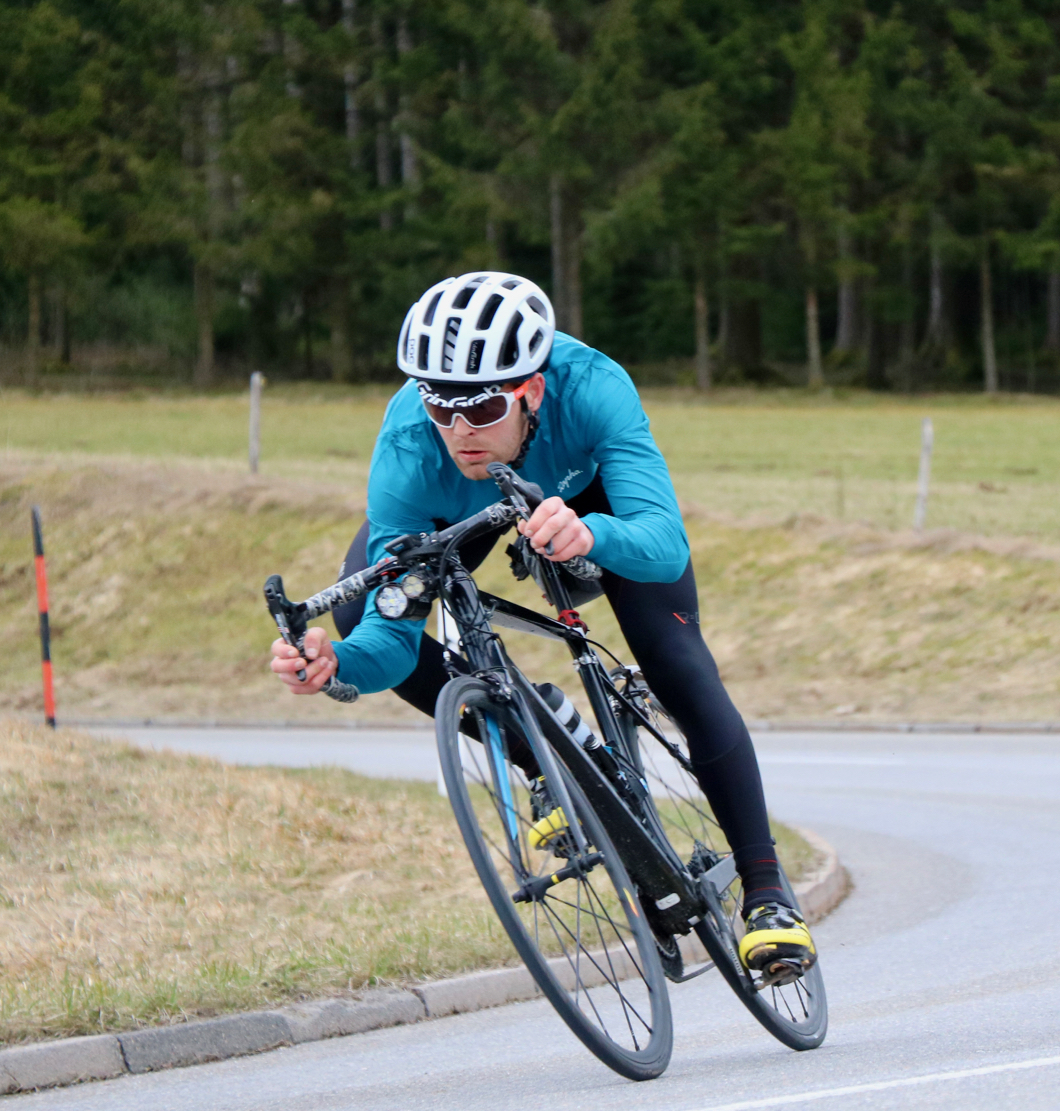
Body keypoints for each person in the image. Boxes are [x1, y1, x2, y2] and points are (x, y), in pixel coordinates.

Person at [267, 271, 814, 981]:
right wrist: (337, 665)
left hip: (593, 503)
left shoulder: (592, 384)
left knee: (677, 662)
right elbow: (391, 638)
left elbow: (664, 538)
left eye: (482, 406)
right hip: (453, 510)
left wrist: (590, 535)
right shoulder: (411, 445)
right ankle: (539, 745)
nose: (460, 429)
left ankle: (768, 892)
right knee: (354, 608)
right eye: (440, 405)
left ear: (530, 387)